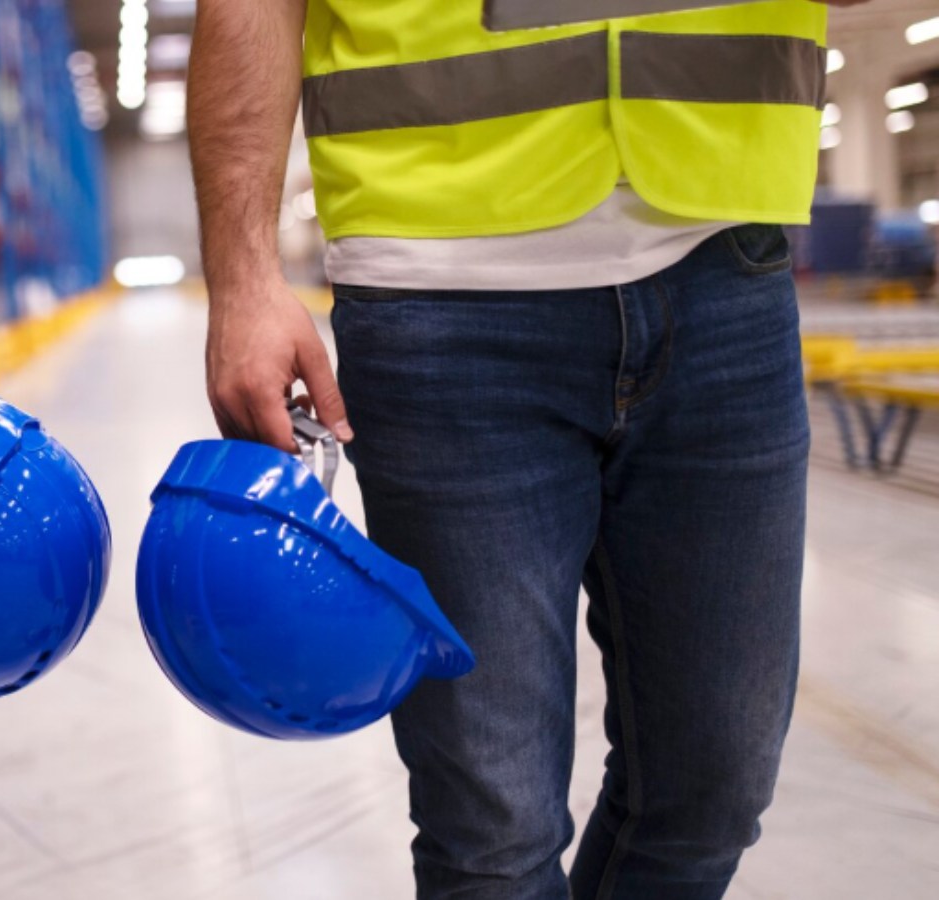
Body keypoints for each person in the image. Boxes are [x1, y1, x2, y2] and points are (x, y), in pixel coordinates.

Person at [190, 1, 866, 897]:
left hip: (725, 255)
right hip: (440, 277)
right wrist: (241, 278)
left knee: (714, 787)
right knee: (491, 833)